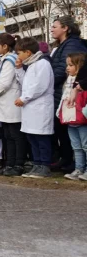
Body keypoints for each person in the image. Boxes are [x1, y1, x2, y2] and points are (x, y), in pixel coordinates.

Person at [49, 16, 87, 173]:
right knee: (63, 130)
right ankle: (68, 161)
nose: (52, 29)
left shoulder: (73, 44)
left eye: (55, 26)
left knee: (75, 135)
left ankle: (73, 163)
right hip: (60, 92)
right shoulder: (60, 45)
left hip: (69, 92)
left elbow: (66, 69)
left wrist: (48, 81)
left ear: (65, 28)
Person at [0, 33, 25, 176]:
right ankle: (9, 163)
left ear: (5, 46)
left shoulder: (10, 60)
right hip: (5, 105)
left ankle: (18, 164)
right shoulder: (4, 60)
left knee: (15, 135)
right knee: (8, 135)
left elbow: (4, 83)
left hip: (12, 103)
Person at [15, 37, 54, 179]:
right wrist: (19, 69)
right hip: (30, 109)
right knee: (32, 137)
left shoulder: (43, 64)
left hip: (40, 107)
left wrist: (24, 99)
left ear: (28, 52)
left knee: (41, 138)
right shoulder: (31, 65)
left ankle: (44, 165)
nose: (18, 56)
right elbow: (25, 83)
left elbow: (40, 86)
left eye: (19, 53)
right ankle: (36, 164)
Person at [59, 53, 87, 181]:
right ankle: (79, 169)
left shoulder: (82, 84)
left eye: (70, 65)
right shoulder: (68, 82)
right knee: (76, 146)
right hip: (70, 119)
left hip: (82, 120)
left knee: (85, 145)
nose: (67, 68)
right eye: (67, 65)